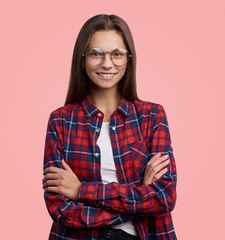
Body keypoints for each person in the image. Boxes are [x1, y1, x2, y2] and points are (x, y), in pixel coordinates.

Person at [42, 14, 177, 240]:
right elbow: (61, 210)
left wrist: (80, 191)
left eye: (117, 54)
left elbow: (164, 197)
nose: (106, 63)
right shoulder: (61, 121)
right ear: (82, 59)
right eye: (96, 53)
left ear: (129, 60)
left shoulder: (152, 116)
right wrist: (139, 198)